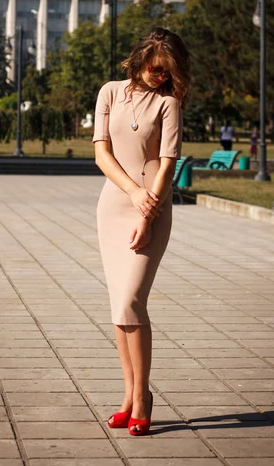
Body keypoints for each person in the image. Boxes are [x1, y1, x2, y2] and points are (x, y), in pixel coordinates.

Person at [92, 27, 190, 436]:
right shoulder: (110, 92)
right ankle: (129, 396)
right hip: (114, 205)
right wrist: (132, 192)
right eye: (154, 67)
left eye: (166, 72)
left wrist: (147, 213)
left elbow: (167, 165)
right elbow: (101, 152)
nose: (159, 76)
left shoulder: (169, 104)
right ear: (141, 58)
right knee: (119, 306)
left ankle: (144, 395)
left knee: (132, 299)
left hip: (152, 207)